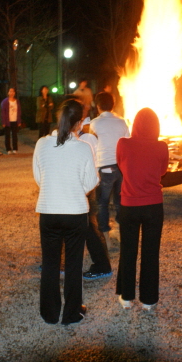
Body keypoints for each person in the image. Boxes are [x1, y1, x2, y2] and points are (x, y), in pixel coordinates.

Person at [33, 99, 99, 325]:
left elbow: (39, 177)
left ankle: (49, 313)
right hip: (75, 212)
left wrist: (55, 188)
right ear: (79, 123)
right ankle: (72, 313)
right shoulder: (83, 147)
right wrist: (74, 189)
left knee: (50, 263)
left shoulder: (42, 144)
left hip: (48, 211)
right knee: (73, 265)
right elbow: (90, 182)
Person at [115, 108, 168, 311]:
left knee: (128, 250)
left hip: (129, 204)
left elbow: (121, 165)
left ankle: (126, 296)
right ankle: (148, 299)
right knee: (151, 252)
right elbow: (162, 171)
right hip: (153, 205)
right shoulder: (161, 146)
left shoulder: (123, 144)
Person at [90, 92, 130, 240]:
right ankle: (120, 230)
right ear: (113, 105)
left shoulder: (95, 123)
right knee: (120, 201)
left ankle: (105, 234)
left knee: (102, 203)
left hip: (104, 167)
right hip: (121, 167)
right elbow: (127, 143)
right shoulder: (122, 122)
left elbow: (92, 144)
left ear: (98, 106)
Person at [77, 117, 113, 280]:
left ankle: (102, 265)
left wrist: (84, 190)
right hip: (83, 188)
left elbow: (92, 166)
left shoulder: (86, 139)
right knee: (85, 226)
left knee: (89, 227)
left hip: (84, 188)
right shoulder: (84, 138)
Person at [0, 87, 21, 155]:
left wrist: (19, 121)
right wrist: (3, 122)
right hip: (7, 121)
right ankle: (8, 149)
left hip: (15, 120)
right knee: (7, 136)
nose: (12, 93)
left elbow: (19, 111)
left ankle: (15, 148)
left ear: (14, 93)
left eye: (13, 91)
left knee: (15, 135)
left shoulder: (17, 101)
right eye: (10, 91)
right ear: (8, 93)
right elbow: (3, 112)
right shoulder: (5, 102)